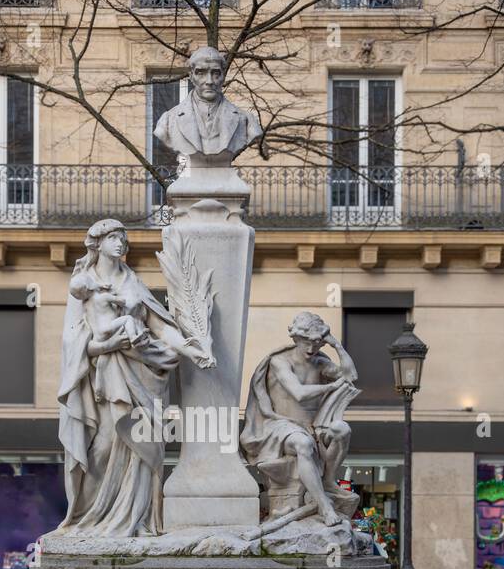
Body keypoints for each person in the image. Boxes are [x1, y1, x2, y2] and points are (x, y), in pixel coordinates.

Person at [55, 218, 213, 537]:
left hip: (143, 372)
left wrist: (191, 349)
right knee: (102, 446)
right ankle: (88, 516)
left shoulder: (133, 282)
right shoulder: (82, 284)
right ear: (97, 243)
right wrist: (111, 344)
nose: (121, 243)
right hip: (106, 375)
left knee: (142, 444)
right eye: (114, 237)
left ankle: (133, 517)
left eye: (123, 238)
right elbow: (73, 342)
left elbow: (160, 326)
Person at [241, 312, 361, 527]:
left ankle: (328, 481)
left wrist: (337, 346)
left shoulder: (320, 362)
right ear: (296, 338)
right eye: (307, 342)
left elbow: (350, 375)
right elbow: (298, 393)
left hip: (313, 426)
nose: (311, 349)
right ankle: (324, 506)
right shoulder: (280, 362)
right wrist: (330, 386)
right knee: (302, 444)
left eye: (316, 343)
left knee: (342, 429)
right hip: (280, 425)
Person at [152, 46, 262, 161]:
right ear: (191, 76)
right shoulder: (168, 121)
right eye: (201, 73)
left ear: (223, 76)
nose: (209, 81)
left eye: (215, 73)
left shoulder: (246, 121)